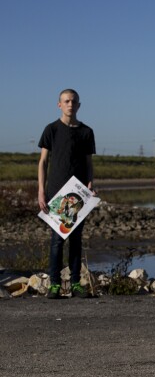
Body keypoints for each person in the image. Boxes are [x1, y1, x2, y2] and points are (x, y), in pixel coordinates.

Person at [37, 89, 96, 299]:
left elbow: (89, 163)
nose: (70, 104)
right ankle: (54, 284)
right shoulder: (51, 130)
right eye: (66, 101)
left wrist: (90, 183)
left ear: (79, 105)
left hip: (78, 193)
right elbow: (43, 162)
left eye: (74, 101)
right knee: (57, 240)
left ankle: (76, 284)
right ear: (59, 104)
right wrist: (41, 192)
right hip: (56, 192)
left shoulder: (86, 132)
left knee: (76, 240)